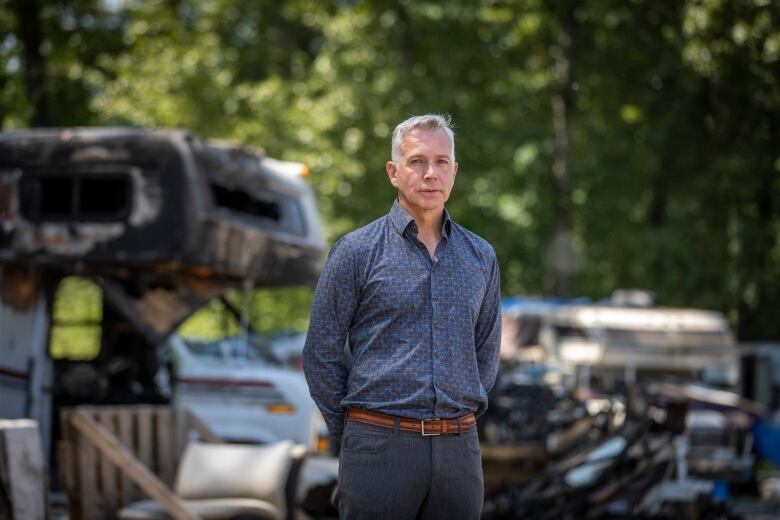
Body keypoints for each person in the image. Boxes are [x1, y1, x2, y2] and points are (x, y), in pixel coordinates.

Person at [302, 114, 501, 519]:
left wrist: (457, 419)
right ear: (394, 172)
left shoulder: (480, 256)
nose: (431, 173)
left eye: (441, 162)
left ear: (455, 171)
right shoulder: (356, 252)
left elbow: (486, 351)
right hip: (378, 449)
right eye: (417, 161)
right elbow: (320, 353)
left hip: (459, 453)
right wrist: (357, 434)